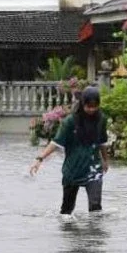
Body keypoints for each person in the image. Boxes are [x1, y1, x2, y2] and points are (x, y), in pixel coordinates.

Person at [31, 86, 110, 216]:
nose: (91, 109)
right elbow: (56, 143)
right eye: (88, 106)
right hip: (73, 170)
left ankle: (95, 236)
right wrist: (39, 159)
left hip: (93, 168)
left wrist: (105, 160)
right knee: (66, 212)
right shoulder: (70, 121)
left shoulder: (101, 119)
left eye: (95, 106)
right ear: (82, 104)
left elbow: (102, 142)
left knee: (96, 208)